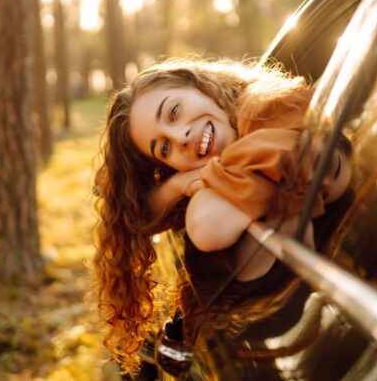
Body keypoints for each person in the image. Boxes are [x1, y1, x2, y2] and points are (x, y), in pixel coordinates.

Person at [92, 58, 352, 374]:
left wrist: (202, 179)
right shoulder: (228, 150)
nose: (181, 137)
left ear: (203, 86)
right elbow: (134, 213)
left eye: (174, 112)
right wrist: (179, 183)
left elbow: (206, 226)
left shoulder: (268, 108)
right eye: (164, 148)